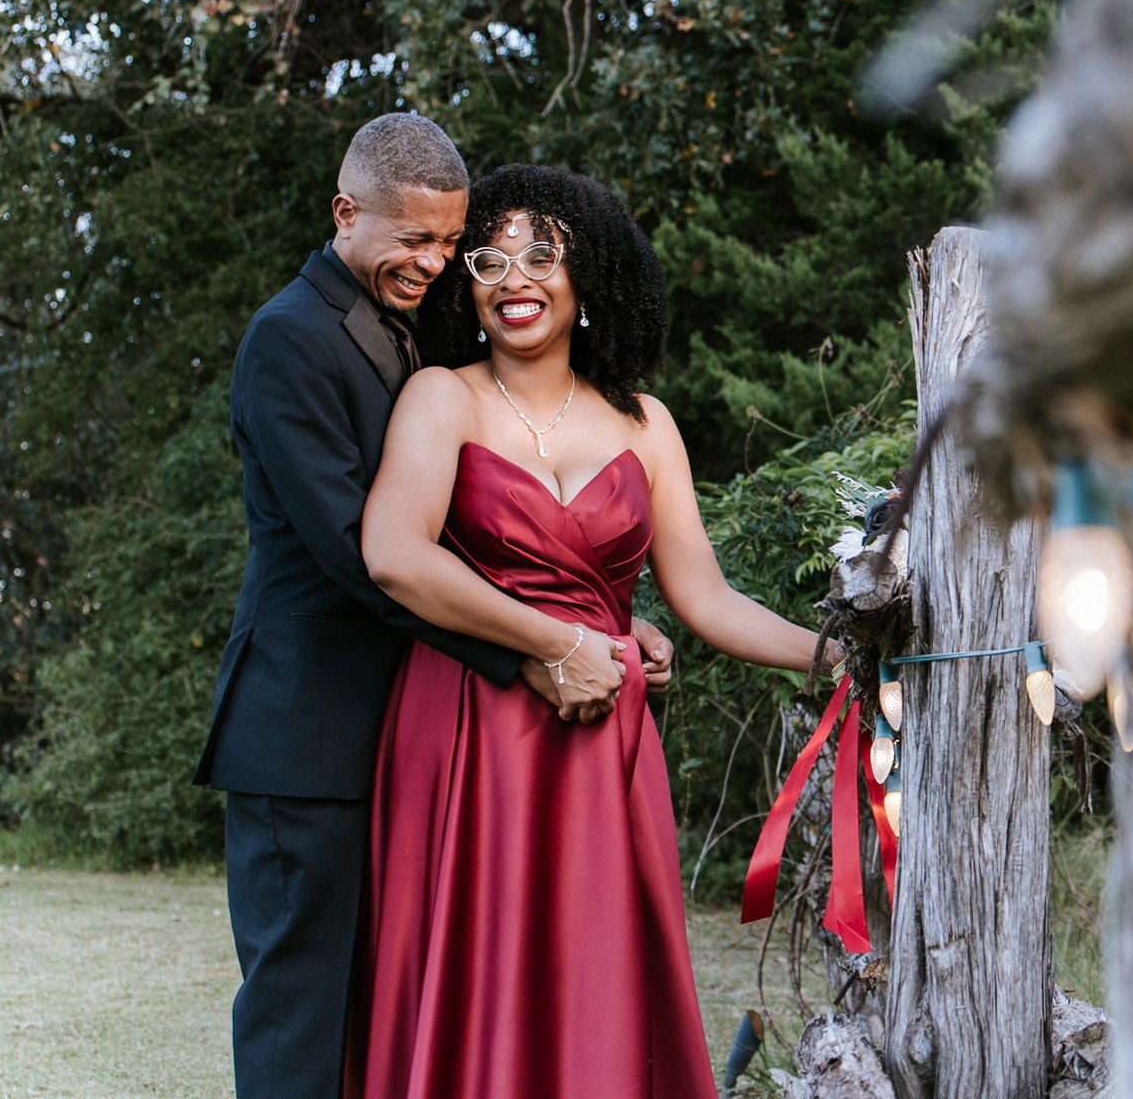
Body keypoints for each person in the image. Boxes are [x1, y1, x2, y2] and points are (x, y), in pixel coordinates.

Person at [195, 114, 673, 1099]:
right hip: (305, 736)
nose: (435, 261)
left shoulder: (400, 332)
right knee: (302, 1018)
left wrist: (609, 624)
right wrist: (541, 647)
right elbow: (364, 557)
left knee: (383, 1017)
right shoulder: (291, 339)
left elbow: (463, 533)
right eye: (414, 238)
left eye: (450, 242)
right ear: (345, 214)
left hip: (399, 738)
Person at [348, 164, 834, 1098]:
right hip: (468, 731)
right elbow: (395, 556)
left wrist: (834, 655)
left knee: (595, 981)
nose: (512, 277)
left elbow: (707, 600)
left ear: (590, 280)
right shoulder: (442, 398)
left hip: (602, 742)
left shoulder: (647, 426)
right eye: (488, 259)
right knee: (477, 970)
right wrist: (555, 641)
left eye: (542, 255)